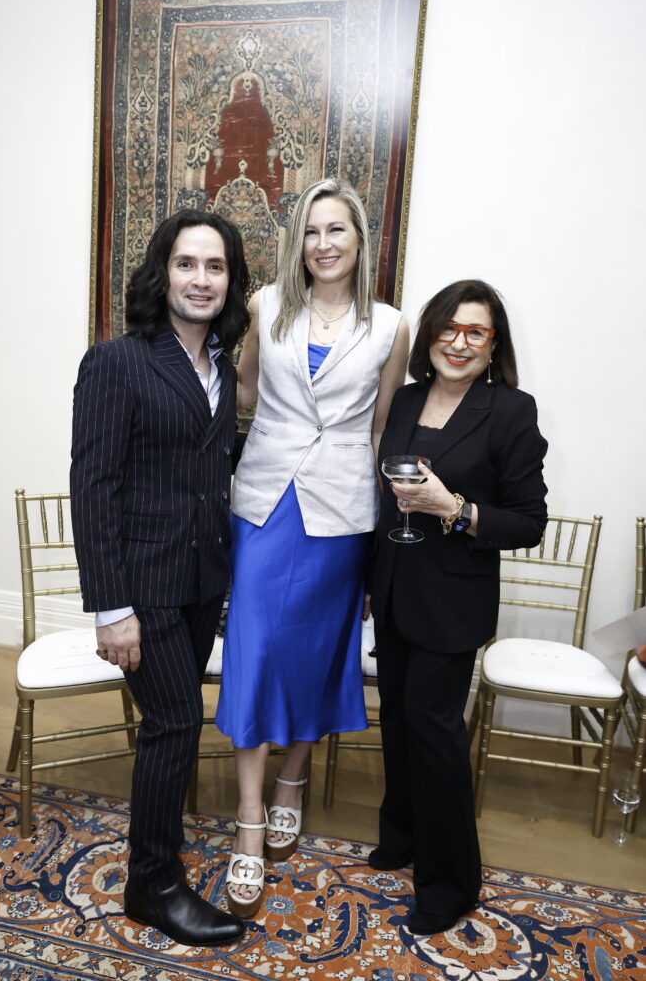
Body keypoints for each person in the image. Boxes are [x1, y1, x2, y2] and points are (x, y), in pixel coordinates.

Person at [215, 177, 410, 918]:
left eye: (338, 231)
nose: (324, 244)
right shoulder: (266, 306)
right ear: (296, 242)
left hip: (342, 511)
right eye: (312, 232)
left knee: (319, 652)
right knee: (256, 650)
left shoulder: (390, 325)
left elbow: (379, 422)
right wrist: (284, 436)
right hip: (265, 503)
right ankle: (248, 817)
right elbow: (244, 392)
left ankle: (294, 776)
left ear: (360, 242)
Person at [70, 208, 250, 947]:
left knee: (174, 723)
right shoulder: (117, 361)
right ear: (161, 272)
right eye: (186, 264)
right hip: (143, 586)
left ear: (230, 281)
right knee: (174, 722)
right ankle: (154, 883)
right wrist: (111, 609)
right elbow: (93, 487)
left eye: (215, 267)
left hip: (204, 579)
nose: (200, 279)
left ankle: (157, 867)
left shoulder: (222, 369)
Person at [370, 279, 548, 936]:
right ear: (430, 336)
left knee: (435, 733)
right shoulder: (409, 398)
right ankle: (402, 834)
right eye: (448, 328)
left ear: (492, 344)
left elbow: (529, 522)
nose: (459, 342)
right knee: (395, 718)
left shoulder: (509, 411)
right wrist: (368, 580)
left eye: (475, 332)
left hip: (451, 600)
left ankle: (449, 883)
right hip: (392, 586)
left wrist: (457, 510)